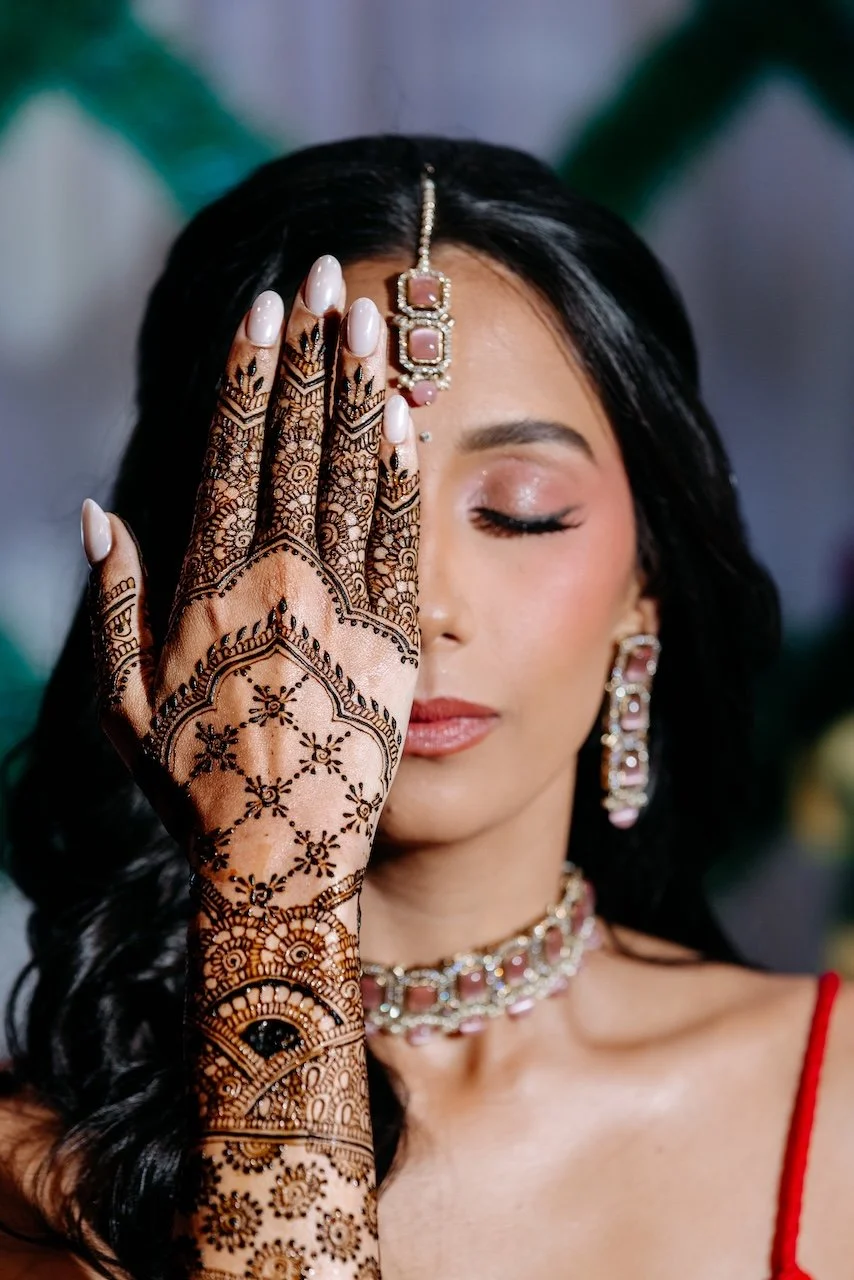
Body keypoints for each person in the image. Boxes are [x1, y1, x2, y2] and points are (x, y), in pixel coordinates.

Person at [0, 133, 852, 1280]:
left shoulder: (835, 1085)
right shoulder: (36, 1169)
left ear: (640, 589)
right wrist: (273, 908)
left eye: (518, 511)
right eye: (318, 527)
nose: (414, 608)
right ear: (176, 586)